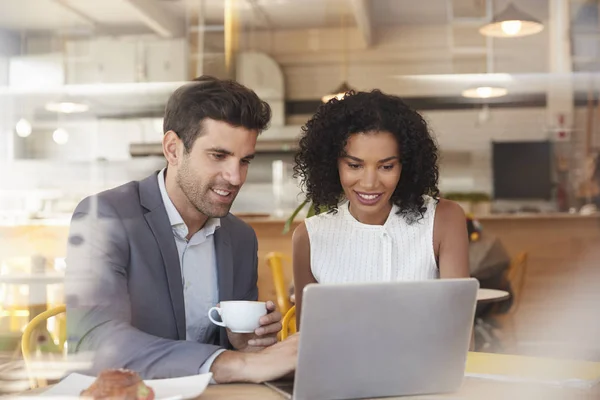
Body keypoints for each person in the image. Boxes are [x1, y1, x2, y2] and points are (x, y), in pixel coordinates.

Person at [65, 76, 298, 383]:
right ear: (173, 149)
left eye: (245, 161)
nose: (236, 176)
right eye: (219, 156)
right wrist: (234, 363)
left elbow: (237, 350)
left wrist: (245, 344)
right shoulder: (106, 217)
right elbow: (94, 340)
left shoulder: (240, 238)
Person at [292, 89, 470, 325]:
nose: (369, 183)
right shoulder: (309, 237)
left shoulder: (443, 220)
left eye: (386, 167)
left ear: (405, 166)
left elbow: (459, 331)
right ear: (332, 164)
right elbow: (307, 341)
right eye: (354, 165)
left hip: (425, 362)